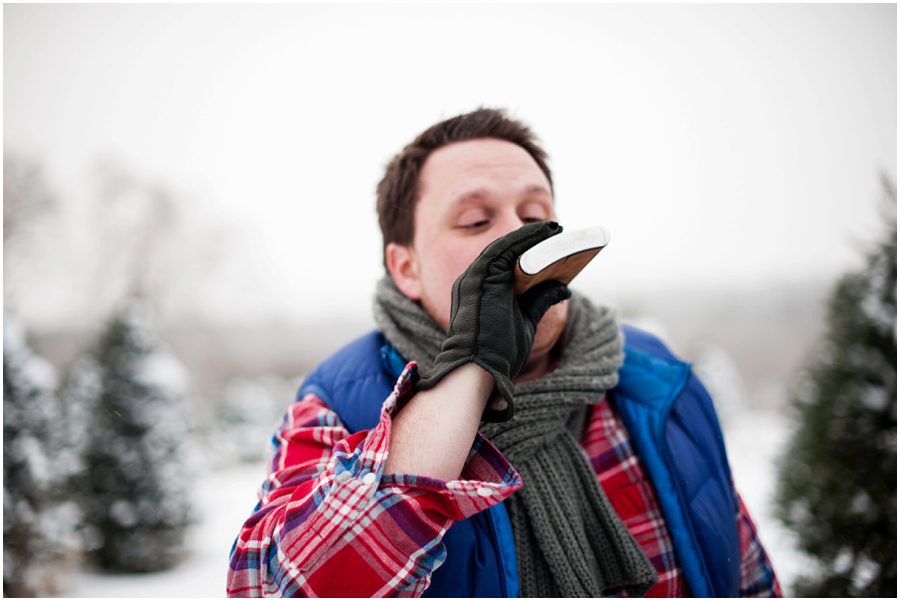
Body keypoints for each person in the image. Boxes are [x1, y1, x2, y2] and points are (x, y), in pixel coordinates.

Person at [226, 108, 782, 597]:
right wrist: (471, 366)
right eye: (476, 220)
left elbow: (748, 577)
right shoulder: (336, 405)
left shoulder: (660, 378)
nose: (521, 236)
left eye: (535, 212)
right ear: (406, 268)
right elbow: (278, 589)